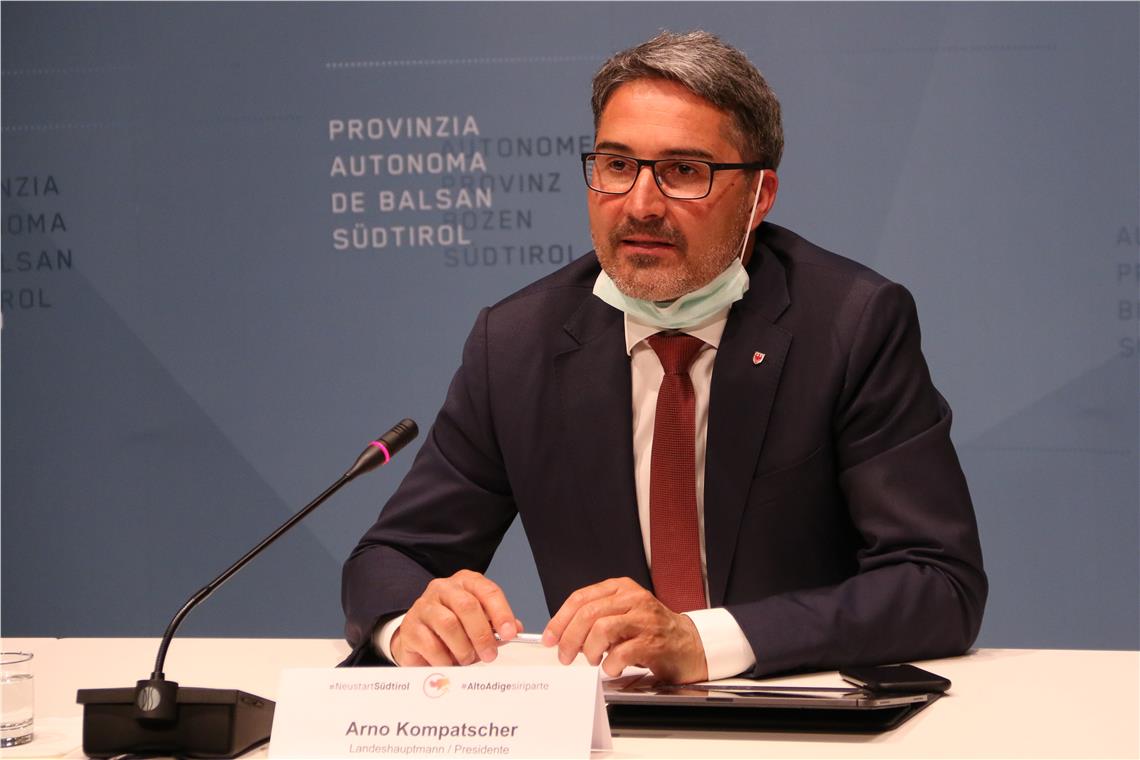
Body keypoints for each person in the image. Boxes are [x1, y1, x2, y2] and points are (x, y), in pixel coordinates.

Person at [341, 30, 987, 683]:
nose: (641, 205)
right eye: (617, 166)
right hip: (605, 722)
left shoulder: (850, 325)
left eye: (684, 172)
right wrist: (410, 623)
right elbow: (393, 558)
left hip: (796, 708)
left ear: (759, 196)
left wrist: (703, 642)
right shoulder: (516, 343)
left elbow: (937, 582)